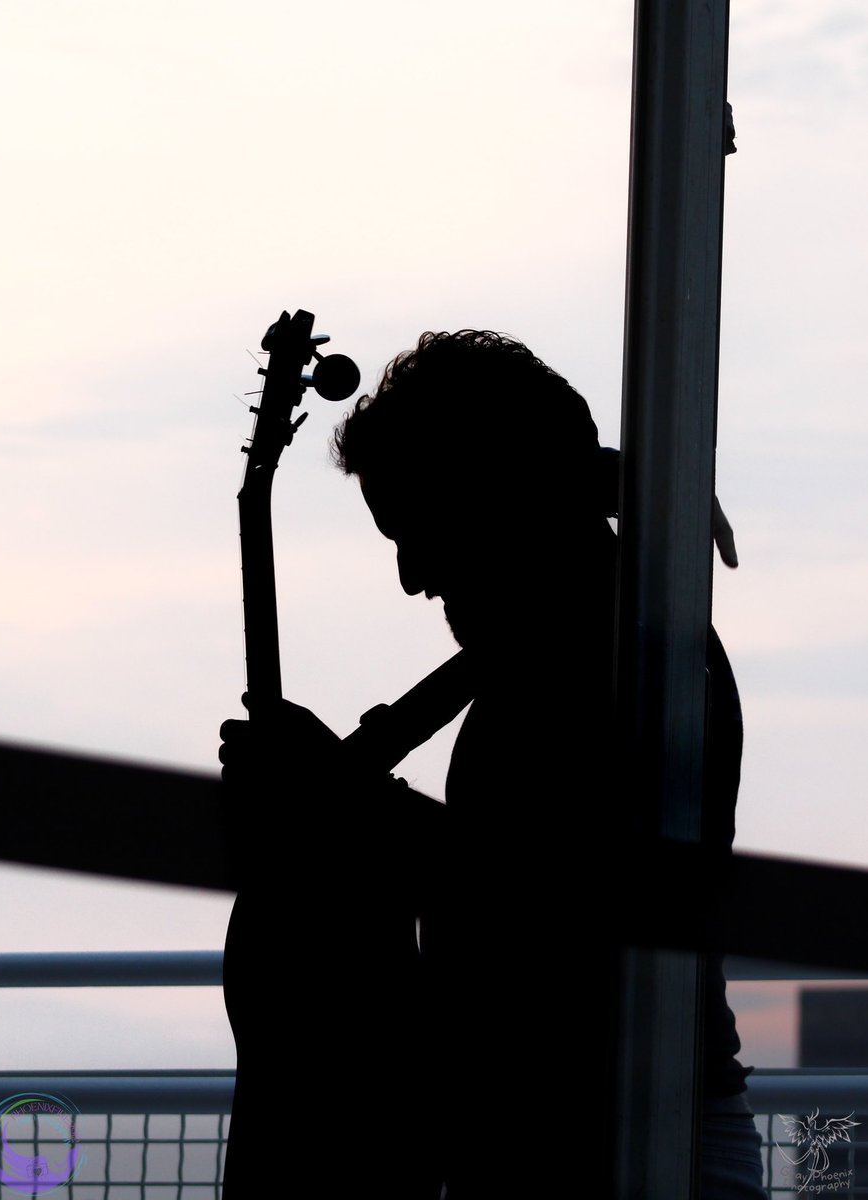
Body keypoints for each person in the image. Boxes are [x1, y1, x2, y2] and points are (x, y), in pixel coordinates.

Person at [220, 329, 763, 1197]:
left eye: (421, 529)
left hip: (629, 1153)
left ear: (499, 500)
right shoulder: (564, 640)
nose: (411, 578)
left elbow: (555, 903)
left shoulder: (628, 660)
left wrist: (355, 810)